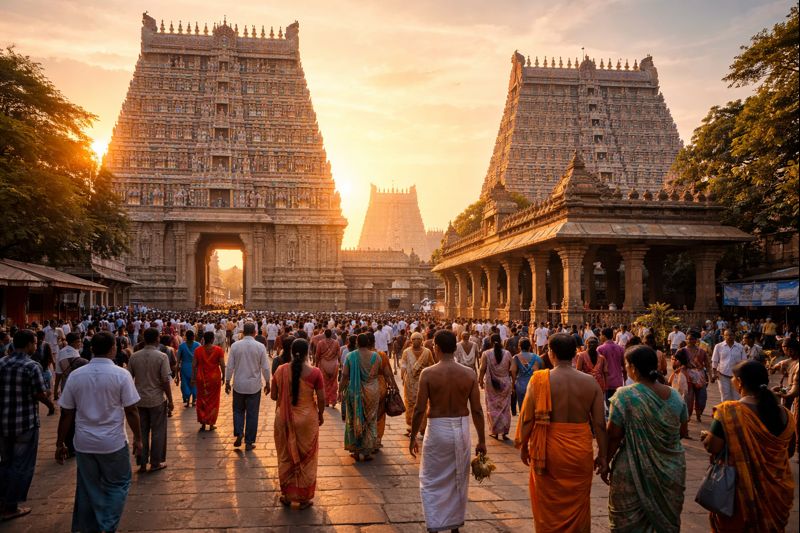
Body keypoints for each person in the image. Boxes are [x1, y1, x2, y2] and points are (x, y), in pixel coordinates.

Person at [515, 333, 608, 533]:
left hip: (548, 452)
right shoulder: (590, 383)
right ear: (575, 353)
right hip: (579, 452)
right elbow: (600, 424)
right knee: (578, 502)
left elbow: (528, 419)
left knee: (548, 507)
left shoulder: (539, 380)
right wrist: (603, 455)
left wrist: (523, 445)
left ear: (551, 353)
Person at [55, 331, 142, 533]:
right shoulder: (121, 374)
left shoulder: (76, 375)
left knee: (88, 487)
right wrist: (138, 438)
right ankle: (107, 525)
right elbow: (131, 410)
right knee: (119, 483)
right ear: (113, 349)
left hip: (84, 442)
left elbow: (66, 413)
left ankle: (88, 527)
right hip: (113, 442)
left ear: (92, 349)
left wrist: (60, 444)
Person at [702, 360, 795, 531]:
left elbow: (713, 447)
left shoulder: (729, 411)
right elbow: (789, 451)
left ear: (739, 382)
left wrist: (707, 437)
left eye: (733, 378)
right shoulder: (786, 414)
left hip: (739, 493)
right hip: (775, 493)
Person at [409, 330, 487, 533]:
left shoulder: (428, 373)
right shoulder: (469, 374)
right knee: (458, 478)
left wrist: (413, 436)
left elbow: (419, 409)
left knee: (431, 478)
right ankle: (454, 525)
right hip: (461, 429)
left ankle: (435, 524)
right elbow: (477, 410)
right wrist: (481, 440)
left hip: (437, 429)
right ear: (455, 347)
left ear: (436, 347)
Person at [604, 345, 687, 532]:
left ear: (633, 367)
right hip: (670, 470)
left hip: (631, 469)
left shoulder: (625, 395)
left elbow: (614, 436)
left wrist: (605, 461)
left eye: (626, 365)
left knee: (627, 524)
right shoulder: (675, 396)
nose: (625, 368)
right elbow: (682, 432)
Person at [0, 330, 55, 521]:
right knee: (21, 464)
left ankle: (3, 500)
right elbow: (39, 393)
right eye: (35, 343)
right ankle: (11, 506)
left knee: (5, 462)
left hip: (3, 422)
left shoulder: (1, 363)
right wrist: (50, 405)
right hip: (25, 422)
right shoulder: (32, 366)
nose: (36, 346)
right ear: (29, 344)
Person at [271, 338, 325, 509]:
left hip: (283, 419)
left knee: (286, 456)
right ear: (308, 352)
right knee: (307, 458)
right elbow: (322, 398)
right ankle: (303, 498)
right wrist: (321, 414)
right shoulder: (315, 373)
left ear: (291, 352)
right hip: (307, 420)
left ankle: (287, 495)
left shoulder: (280, 370)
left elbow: (273, 396)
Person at [127, 327, 174, 472]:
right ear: (157, 339)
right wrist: (171, 400)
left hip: (139, 399)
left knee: (141, 431)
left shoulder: (134, 356)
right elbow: (165, 380)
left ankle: (142, 463)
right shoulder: (161, 357)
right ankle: (155, 462)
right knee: (158, 431)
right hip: (156, 399)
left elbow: (129, 378)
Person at [225, 322, 270, 450]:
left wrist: (227, 381)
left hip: (239, 385)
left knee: (238, 411)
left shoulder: (235, 346)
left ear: (243, 332)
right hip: (254, 386)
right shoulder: (260, 347)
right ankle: (249, 442)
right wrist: (268, 382)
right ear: (255, 333)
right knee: (252, 413)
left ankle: (239, 432)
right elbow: (265, 367)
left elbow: (230, 366)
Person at [340, 333, 384, 461]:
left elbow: (345, 376)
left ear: (357, 343)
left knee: (354, 418)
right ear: (369, 342)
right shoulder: (376, 356)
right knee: (370, 420)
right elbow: (377, 373)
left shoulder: (350, 356)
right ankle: (367, 451)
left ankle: (356, 449)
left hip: (354, 391)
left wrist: (340, 390)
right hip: (372, 391)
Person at [478, 334, 513, 440]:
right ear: (500, 341)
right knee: (505, 407)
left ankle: (495, 431)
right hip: (505, 384)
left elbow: (482, 368)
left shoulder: (486, 354)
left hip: (491, 384)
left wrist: (480, 381)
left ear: (490, 341)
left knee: (492, 407)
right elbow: (511, 369)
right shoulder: (507, 353)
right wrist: (512, 382)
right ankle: (504, 431)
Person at [192, 331, 226, 431]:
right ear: (212, 339)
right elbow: (222, 364)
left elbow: (194, 365)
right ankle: (211, 423)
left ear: (204, 339)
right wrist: (224, 376)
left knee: (201, 399)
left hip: (201, 377)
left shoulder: (197, 350)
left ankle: (203, 423)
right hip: (214, 378)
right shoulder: (218, 350)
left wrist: (193, 378)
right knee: (214, 400)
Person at [400, 332, 431, 436]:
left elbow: (431, 365)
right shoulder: (406, 352)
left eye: (418, 339)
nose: (416, 341)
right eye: (414, 339)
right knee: (410, 404)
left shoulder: (427, 352)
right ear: (411, 341)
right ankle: (411, 426)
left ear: (421, 340)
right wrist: (402, 376)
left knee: (423, 404)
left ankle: (422, 427)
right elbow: (403, 365)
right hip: (410, 381)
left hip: (423, 382)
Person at [711, 329, 747, 402]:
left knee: (736, 397)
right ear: (724, 336)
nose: (729, 337)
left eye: (731, 335)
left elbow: (744, 361)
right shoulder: (718, 346)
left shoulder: (740, 347)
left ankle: (735, 410)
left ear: (734, 336)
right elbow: (715, 360)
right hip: (722, 375)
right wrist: (714, 373)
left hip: (736, 376)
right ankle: (726, 409)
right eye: (727, 335)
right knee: (725, 396)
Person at [510, 338, 541, 414]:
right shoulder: (536, 357)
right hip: (533, 385)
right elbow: (541, 369)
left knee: (522, 409)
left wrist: (513, 384)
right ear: (530, 347)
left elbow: (513, 370)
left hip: (520, 385)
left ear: (519, 347)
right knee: (532, 409)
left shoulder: (516, 357)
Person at [599, 327, 625, 406]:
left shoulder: (600, 349)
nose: (600, 337)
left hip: (607, 382)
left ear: (604, 336)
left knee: (609, 405)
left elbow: (598, 367)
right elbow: (624, 365)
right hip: (618, 381)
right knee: (617, 406)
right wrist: (625, 378)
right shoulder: (620, 348)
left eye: (600, 335)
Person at [314, 329, 340, 408]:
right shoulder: (336, 343)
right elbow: (339, 354)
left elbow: (317, 355)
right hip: (334, 365)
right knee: (333, 383)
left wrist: (316, 364)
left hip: (323, 364)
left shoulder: (320, 343)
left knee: (325, 383)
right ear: (331, 334)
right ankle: (333, 401)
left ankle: (326, 402)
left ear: (324, 335)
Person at [178, 330, 199, 407]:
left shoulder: (181, 346)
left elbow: (178, 360)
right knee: (194, 383)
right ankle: (194, 400)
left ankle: (187, 401)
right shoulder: (197, 345)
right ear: (193, 336)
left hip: (185, 367)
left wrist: (177, 374)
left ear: (186, 336)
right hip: (195, 367)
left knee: (185, 384)